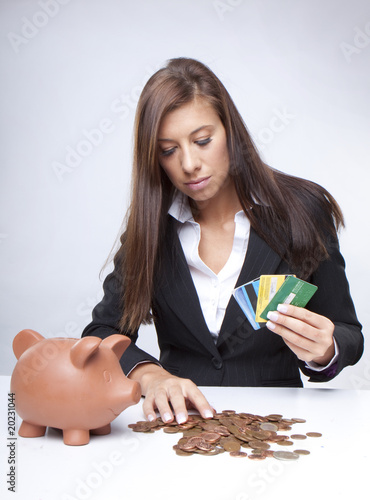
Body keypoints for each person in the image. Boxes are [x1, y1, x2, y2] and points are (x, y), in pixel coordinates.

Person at [82, 57, 363, 425]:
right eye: (169, 150)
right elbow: (102, 334)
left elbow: (348, 333)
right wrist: (151, 375)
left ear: (230, 131)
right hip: (178, 426)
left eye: (202, 141)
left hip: (275, 426)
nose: (189, 164)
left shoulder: (303, 210)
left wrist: (326, 350)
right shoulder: (151, 229)